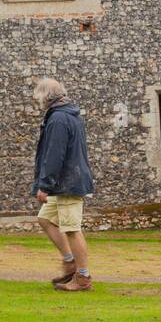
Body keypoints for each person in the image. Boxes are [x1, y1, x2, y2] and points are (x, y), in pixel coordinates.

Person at [31, 77, 95, 292]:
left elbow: (54, 154)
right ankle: (70, 264)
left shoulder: (58, 118)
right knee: (45, 218)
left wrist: (45, 185)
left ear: (45, 97)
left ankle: (83, 277)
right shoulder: (69, 115)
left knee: (72, 229)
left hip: (67, 183)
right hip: (68, 180)